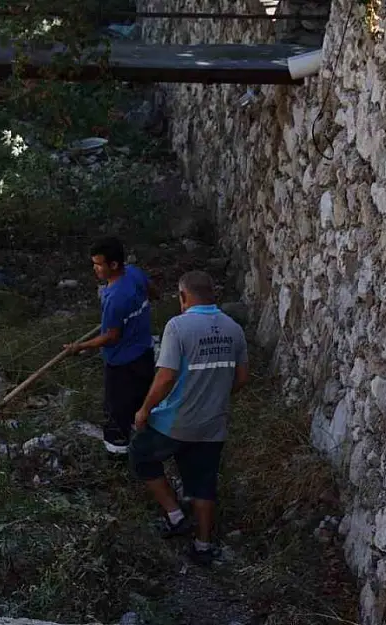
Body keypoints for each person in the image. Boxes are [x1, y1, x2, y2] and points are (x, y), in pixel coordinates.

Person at [130, 270, 249, 566]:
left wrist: (145, 409)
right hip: (213, 424)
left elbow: (166, 376)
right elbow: (242, 377)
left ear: (183, 296)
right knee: (203, 483)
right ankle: (203, 545)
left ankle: (174, 516)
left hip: (176, 422)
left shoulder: (178, 327)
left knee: (140, 454)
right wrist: (217, 398)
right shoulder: (234, 328)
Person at [65, 236, 158, 454]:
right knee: (142, 399)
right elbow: (152, 291)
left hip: (122, 364)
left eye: (98, 264)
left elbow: (111, 337)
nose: (95, 268)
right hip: (145, 352)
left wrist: (78, 347)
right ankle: (147, 440)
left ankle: (117, 451)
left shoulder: (115, 298)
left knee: (116, 410)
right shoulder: (134, 273)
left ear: (113, 264)